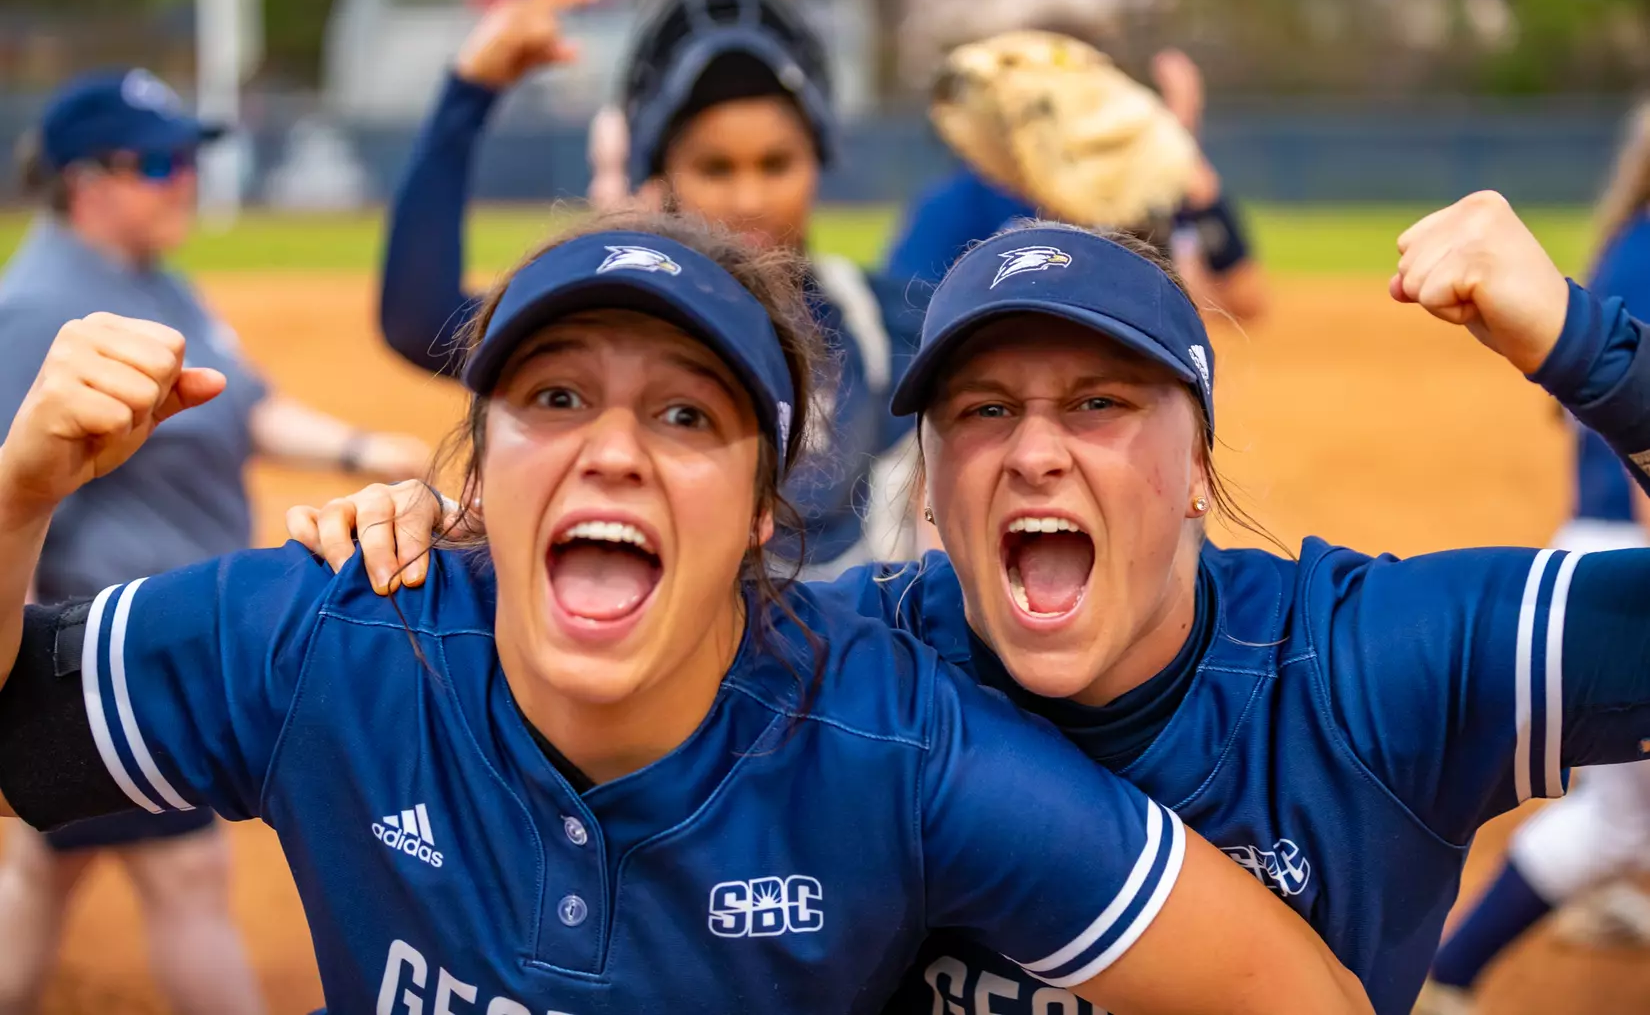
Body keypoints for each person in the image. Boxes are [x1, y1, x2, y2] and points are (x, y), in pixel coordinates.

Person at [309, 190, 1650, 1015]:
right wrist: (451, 547)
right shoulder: (847, 663)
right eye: (983, 411)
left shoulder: (1370, 668)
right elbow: (623, 604)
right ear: (936, 488)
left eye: (1101, 404)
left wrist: (1591, 352)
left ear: (1197, 470)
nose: (1034, 450)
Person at [0, 213, 1372, 1015]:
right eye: (551, 398)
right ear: (479, 478)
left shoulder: (891, 750)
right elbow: (16, 729)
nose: (610, 450)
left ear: (764, 512)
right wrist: (18, 496)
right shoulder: (330, 640)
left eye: (681, 414)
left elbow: (1280, 994)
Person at [0, 67, 430, 1015]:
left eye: (189, 158)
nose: (185, 180)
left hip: (159, 639)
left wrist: (365, 448)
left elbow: (248, 404)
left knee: (42, 877)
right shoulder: (36, 311)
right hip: (129, 658)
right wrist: (28, 677)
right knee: (188, 883)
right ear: (87, 181)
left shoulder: (156, 282)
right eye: (158, 163)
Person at [378, 0, 927, 576]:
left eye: (777, 164)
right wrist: (470, 90)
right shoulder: (619, 331)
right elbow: (419, 318)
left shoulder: (877, 325)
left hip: (848, 656)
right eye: (714, 167)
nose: (750, 197)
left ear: (818, 161)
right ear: (660, 175)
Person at [1412, 102, 1650, 1015]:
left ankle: (1610, 908)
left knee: (1626, 810)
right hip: (1632, 548)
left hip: (1598, 540)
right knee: (1618, 819)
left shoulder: (1627, 239)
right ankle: (1448, 975)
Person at [886, 45, 1269, 322]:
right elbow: (904, 319)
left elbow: (1246, 300)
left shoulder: (1124, 198)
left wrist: (1190, 176)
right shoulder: (960, 204)